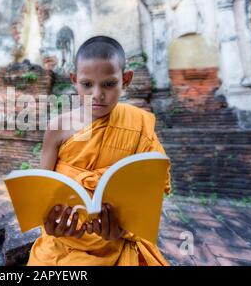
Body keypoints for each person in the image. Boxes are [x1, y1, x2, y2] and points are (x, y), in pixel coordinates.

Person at [26, 36, 171, 266]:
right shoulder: (58, 128)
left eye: (109, 84)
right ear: (74, 80)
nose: (97, 94)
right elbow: (43, 196)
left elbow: (149, 202)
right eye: (87, 84)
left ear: (126, 80)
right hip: (63, 244)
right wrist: (50, 225)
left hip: (117, 243)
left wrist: (123, 231)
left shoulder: (139, 126)